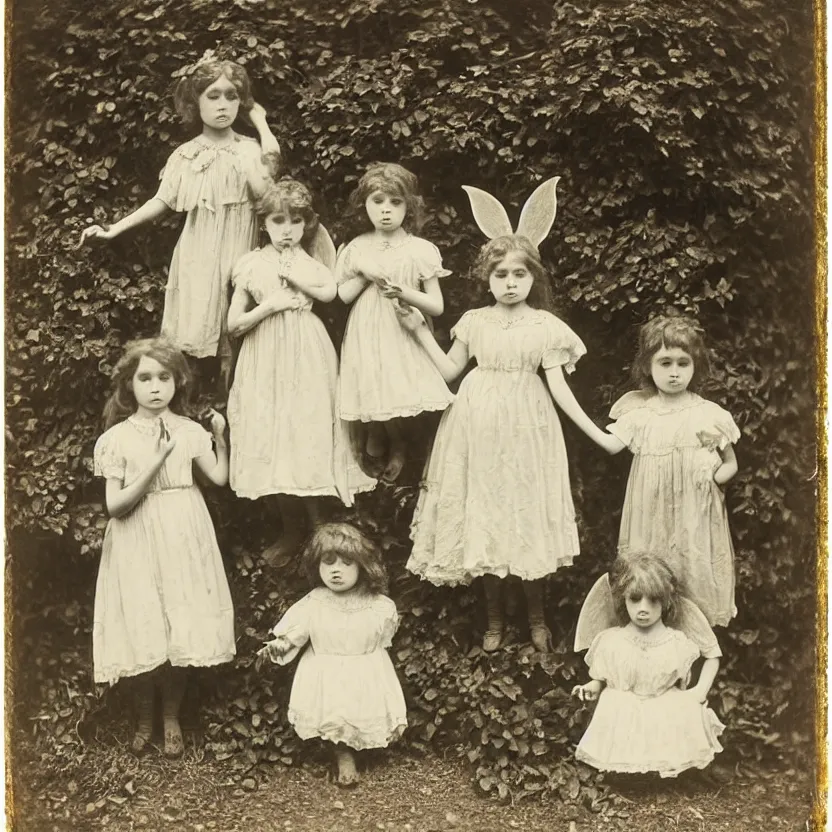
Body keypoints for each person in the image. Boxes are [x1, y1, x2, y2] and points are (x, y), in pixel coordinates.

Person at [397, 178, 618, 653]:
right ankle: (493, 618)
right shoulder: (475, 321)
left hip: (528, 429)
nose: (510, 283)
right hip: (475, 425)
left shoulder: (545, 327)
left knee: (523, 514)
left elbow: (559, 388)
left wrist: (600, 436)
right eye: (501, 275)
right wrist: (419, 331)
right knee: (485, 512)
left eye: (520, 275)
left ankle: (536, 617)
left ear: (533, 278)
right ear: (487, 279)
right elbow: (451, 370)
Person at [80, 57, 281, 394]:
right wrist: (114, 228)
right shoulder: (185, 155)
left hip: (240, 252)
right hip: (198, 255)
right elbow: (161, 202)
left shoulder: (248, 150)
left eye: (232, 96)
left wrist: (261, 124)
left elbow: (268, 192)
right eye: (213, 96)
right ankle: (186, 411)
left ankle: (232, 413)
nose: (223, 105)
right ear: (195, 101)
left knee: (237, 334)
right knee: (193, 333)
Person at [92, 337, 234, 756]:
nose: (155, 387)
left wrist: (220, 438)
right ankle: (143, 717)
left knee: (179, 620)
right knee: (143, 621)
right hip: (136, 534)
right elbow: (116, 506)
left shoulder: (190, 431)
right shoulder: (116, 439)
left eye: (164, 377)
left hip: (184, 532)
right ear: (129, 385)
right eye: (145, 378)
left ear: (178, 383)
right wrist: (155, 458)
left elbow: (220, 478)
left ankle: (171, 715)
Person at [226, 179, 375, 564]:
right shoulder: (251, 264)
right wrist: (270, 305)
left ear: (306, 225)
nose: (287, 230)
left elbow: (328, 294)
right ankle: (290, 527)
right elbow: (233, 324)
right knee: (271, 435)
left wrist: (295, 275)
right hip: (264, 357)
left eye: (295, 222)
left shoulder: (311, 262)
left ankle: (318, 526)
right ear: (265, 224)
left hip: (307, 355)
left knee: (305, 431)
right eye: (278, 221)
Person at [601, 314, 740, 626]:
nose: (674, 373)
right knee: (651, 569)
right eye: (665, 363)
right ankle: (653, 646)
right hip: (651, 513)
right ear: (647, 366)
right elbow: (611, 444)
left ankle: (696, 647)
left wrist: (714, 478)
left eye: (683, 363)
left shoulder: (708, 415)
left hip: (695, 513)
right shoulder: (640, 414)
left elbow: (731, 462)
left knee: (692, 568)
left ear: (695, 365)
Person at [257, 523, 407, 786]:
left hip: (365, 668)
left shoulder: (379, 605)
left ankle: (362, 746)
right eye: (328, 563)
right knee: (335, 714)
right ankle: (343, 755)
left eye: (346, 562)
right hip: (325, 671)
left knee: (360, 710)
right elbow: (298, 631)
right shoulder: (315, 600)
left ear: (362, 565)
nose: (336, 570)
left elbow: (384, 639)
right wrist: (282, 644)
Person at [336, 163, 454, 482]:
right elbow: (343, 296)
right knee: (372, 379)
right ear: (365, 205)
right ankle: (376, 434)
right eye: (378, 201)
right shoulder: (356, 247)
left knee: (397, 382)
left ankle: (400, 441)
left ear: (409, 206)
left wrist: (404, 291)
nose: (386, 211)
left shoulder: (420, 250)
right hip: (365, 326)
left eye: (395, 203)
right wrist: (365, 272)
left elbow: (437, 305)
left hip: (402, 325)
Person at [571, 554, 724, 777]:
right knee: (616, 700)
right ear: (623, 599)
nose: (643, 609)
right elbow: (602, 678)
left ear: (665, 601)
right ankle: (626, 770)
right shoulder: (613, 640)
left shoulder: (676, 642)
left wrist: (700, 691)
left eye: (653, 600)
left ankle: (661, 768)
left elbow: (713, 655)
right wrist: (591, 687)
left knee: (676, 709)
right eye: (635, 599)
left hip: (663, 704)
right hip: (624, 708)